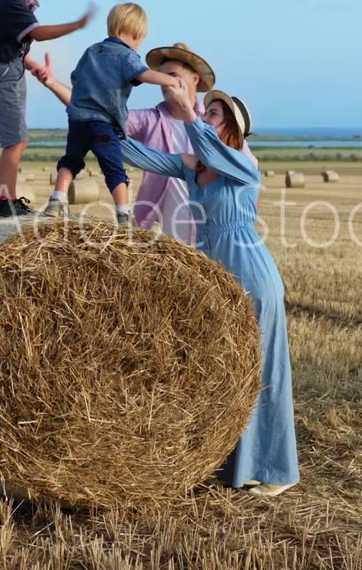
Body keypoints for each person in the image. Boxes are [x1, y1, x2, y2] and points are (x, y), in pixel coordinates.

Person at [119, 88, 299, 497]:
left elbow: (203, 139)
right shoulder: (193, 167)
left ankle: (278, 470)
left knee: (264, 371)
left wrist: (186, 114)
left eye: (213, 112)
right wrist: (98, 132)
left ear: (231, 127)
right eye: (205, 109)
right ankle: (237, 464)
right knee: (231, 371)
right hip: (219, 274)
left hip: (252, 273)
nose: (204, 114)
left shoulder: (241, 163)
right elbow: (143, 157)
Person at [26, 42, 258, 243]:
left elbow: (244, 161)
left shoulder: (213, 123)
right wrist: (53, 83)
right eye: (162, 77)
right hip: (169, 223)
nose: (166, 83)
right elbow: (96, 114)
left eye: (173, 77)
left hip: (212, 221)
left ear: (194, 79)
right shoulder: (149, 119)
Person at [0, 0, 96, 219]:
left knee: (18, 139)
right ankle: (3, 203)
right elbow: (37, 33)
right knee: (16, 140)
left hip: (8, 71)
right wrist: (76, 25)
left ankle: (4, 199)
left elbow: (6, 40)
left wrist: (29, 63)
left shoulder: (17, 0)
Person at [37, 3, 189, 225]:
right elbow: (144, 75)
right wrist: (171, 80)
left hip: (77, 121)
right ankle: (123, 214)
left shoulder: (91, 51)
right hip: (103, 124)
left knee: (70, 161)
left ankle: (56, 201)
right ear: (137, 34)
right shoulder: (127, 55)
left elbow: (75, 78)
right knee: (114, 169)